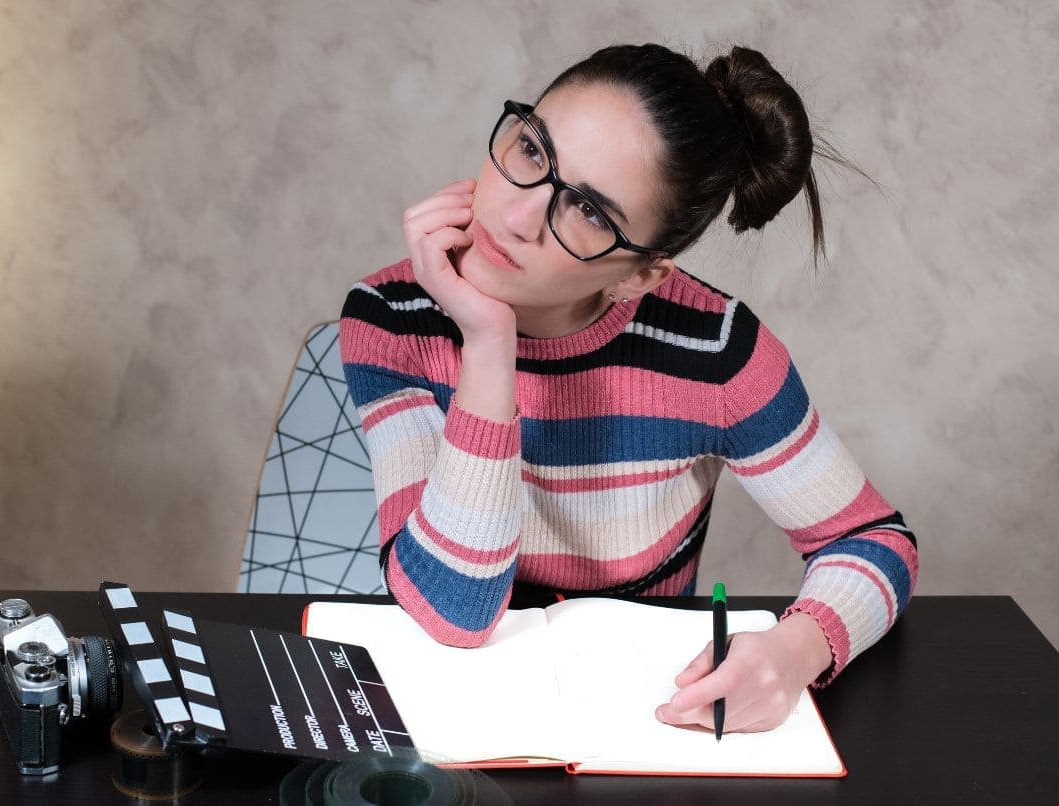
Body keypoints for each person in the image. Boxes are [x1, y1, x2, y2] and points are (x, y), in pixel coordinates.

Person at [339, 43, 917, 734]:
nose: (519, 217)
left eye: (586, 209)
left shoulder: (715, 351)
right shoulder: (393, 315)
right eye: (530, 150)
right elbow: (452, 613)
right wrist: (489, 345)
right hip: (448, 716)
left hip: (640, 723)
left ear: (640, 276)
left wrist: (795, 651)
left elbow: (873, 539)